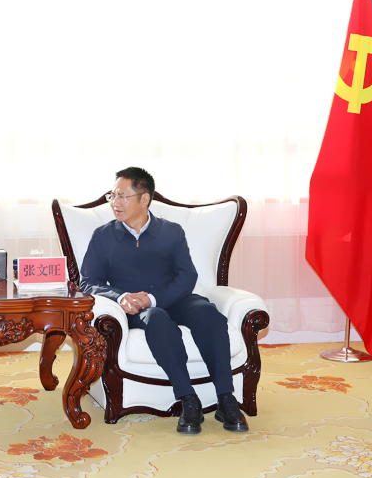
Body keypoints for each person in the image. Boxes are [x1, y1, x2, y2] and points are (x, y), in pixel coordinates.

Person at [79, 167, 247, 434]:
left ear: (144, 199)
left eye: (122, 196)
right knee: (157, 319)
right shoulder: (103, 236)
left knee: (209, 315)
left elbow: (187, 276)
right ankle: (188, 399)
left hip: (175, 299)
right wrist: (122, 297)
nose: (114, 202)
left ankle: (226, 398)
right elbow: (88, 281)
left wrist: (154, 298)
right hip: (136, 309)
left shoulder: (171, 231)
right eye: (113, 195)